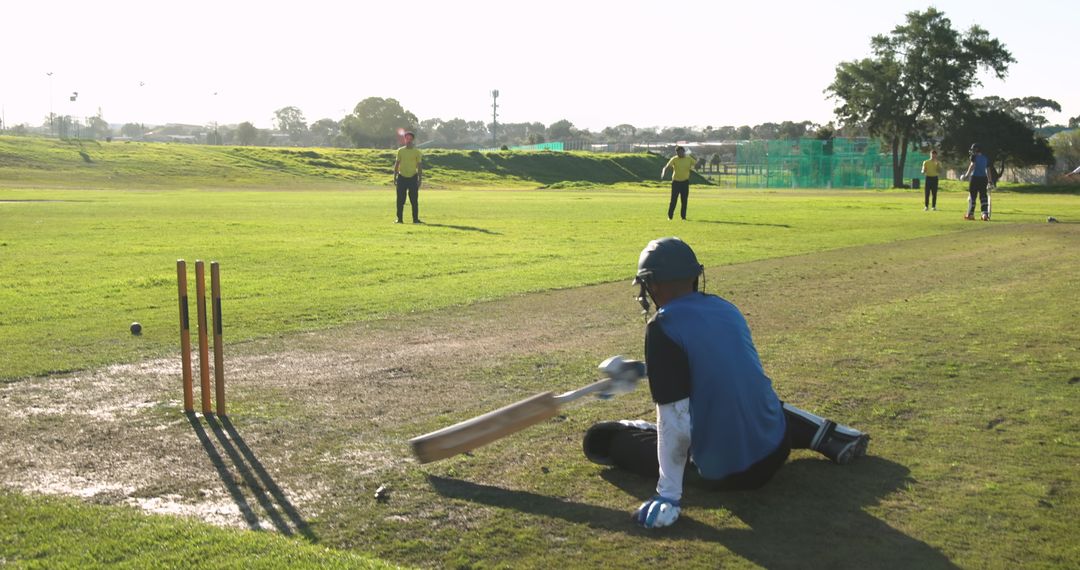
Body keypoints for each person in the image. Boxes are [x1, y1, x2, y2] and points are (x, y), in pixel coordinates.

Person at [582, 237, 869, 529]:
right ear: (695, 276)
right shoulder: (724, 308)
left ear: (653, 284)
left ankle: (637, 434)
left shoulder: (662, 326)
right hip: (776, 447)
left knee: (603, 438)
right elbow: (720, 368)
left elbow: (674, 420)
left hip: (731, 473)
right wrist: (646, 369)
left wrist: (668, 494)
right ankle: (825, 433)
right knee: (752, 399)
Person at [393, 132, 423, 224]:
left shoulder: (417, 152)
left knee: (414, 200)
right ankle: (400, 219)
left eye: (410, 139)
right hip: (402, 177)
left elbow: (419, 166)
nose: (408, 141)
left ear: (412, 140)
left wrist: (419, 179)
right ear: (405, 139)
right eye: (407, 139)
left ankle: (415, 219)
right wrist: (395, 177)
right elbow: (397, 164)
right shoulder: (400, 151)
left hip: (413, 178)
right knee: (400, 200)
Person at [661, 146, 696, 220]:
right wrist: (664, 171)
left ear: (683, 152)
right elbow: (667, 166)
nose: (679, 154)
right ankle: (670, 216)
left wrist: (698, 163)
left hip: (685, 182)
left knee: (684, 200)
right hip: (676, 182)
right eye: (677, 153)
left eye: (680, 152)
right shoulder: (674, 159)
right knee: (673, 200)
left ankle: (683, 217)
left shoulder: (689, 159)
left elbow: (695, 164)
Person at [961, 143, 992, 221]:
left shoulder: (973, 157)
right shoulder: (985, 158)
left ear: (976, 149)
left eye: (973, 149)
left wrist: (966, 175)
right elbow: (988, 170)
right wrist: (990, 181)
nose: (972, 151)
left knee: (972, 197)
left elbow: (972, 165)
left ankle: (971, 214)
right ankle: (984, 214)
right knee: (983, 196)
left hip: (974, 178)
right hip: (984, 179)